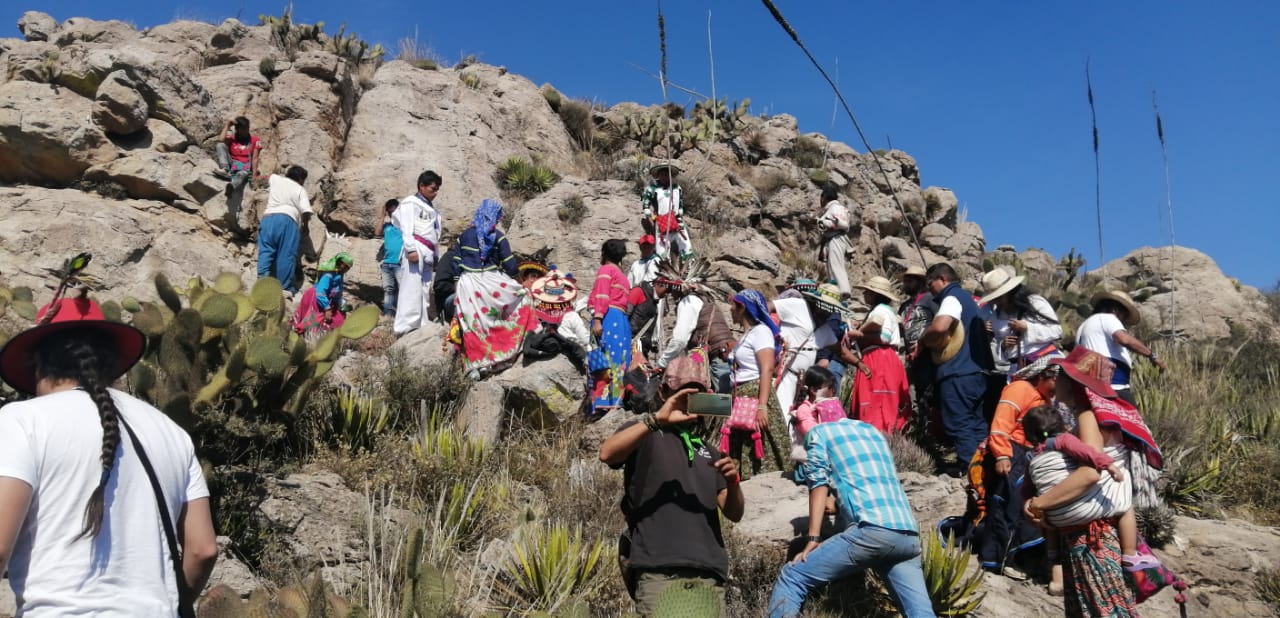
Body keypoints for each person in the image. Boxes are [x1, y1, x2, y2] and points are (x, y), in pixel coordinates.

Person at [0, 294, 218, 615]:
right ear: (112, 362)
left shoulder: (21, 421)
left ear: (38, 365)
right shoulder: (170, 432)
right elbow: (203, 549)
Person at [1028, 347, 1165, 613]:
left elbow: (1090, 472)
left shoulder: (1088, 415)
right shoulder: (1104, 412)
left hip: (1094, 539)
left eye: (1063, 375)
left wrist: (1039, 503)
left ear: (1075, 382)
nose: (1057, 381)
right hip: (1098, 533)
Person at [599, 373, 744, 617]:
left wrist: (733, 482)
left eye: (698, 395)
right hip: (659, 569)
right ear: (663, 393)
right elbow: (607, 453)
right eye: (684, 393)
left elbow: (734, 513)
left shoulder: (708, 450)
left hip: (708, 574)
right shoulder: (646, 433)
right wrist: (657, 420)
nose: (690, 400)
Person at [767, 418, 935, 618]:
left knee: (793, 576)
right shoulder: (872, 433)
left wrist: (813, 538)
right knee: (920, 613)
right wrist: (838, 504)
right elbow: (868, 480)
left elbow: (818, 482)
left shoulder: (818, 433)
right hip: (907, 534)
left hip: (872, 531)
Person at [975, 353, 1061, 576]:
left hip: (1029, 455)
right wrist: (1003, 455)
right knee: (1006, 505)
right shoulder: (1020, 389)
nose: (1057, 389)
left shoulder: (1043, 398)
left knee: (1023, 507)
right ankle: (997, 558)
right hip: (1012, 453)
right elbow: (1002, 422)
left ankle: (1017, 555)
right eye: (1055, 382)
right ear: (1044, 375)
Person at [452, 199, 535, 377]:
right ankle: (503, 354)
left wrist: (457, 283)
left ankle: (476, 365)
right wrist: (517, 282)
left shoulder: (464, 236)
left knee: (474, 324)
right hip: (491, 282)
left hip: (467, 285)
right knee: (523, 297)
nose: (499, 219)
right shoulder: (497, 236)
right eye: (498, 216)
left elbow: (456, 261)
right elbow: (510, 265)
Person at [921, 262, 994, 465]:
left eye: (930, 283)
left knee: (959, 424)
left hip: (958, 372)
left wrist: (924, 341)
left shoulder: (951, 298)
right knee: (978, 425)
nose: (929, 290)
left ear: (943, 279)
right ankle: (985, 474)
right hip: (980, 373)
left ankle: (970, 472)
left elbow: (940, 327)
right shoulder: (971, 302)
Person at [723, 289, 787, 475]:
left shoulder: (761, 332)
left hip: (755, 394)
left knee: (759, 443)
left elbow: (766, 368)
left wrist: (762, 406)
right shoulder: (747, 336)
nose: (730, 310)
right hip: (741, 395)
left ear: (742, 308)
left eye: (733, 306)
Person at [651, 259, 735, 394]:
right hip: (724, 355)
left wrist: (662, 363)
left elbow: (680, 340)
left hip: (717, 358)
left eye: (671, 290)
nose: (670, 295)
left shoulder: (688, 302)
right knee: (724, 403)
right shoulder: (705, 299)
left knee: (719, 406)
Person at [1076, 290, 1166, 406]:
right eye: (1125, 315)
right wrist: (1151, 355)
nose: (1123, 320)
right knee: (1134, 422)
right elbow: (1124, 339)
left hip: (1090, 386)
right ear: (1115, 309)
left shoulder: (1083, 326)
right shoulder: (1108, 318)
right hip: (1114, 386)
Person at [846, 276, 910, 433]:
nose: (864, 294)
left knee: (877, 401)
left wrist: (858, 335)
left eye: (867, 292)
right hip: (879, 358)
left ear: (875, 294)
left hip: (879, 359)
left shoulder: (881, 311)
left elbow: (884, 338)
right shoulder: (881, 311)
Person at [978, 268, 1062, 379]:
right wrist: (1003, 346)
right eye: (994, 299)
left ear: (1009, 292)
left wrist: (1027, 328)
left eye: (999, 298)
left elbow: (1057, 331)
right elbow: (999, 348)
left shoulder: (1035, 302)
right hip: (1017, 370)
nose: (997, 302)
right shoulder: (996, 317)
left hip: (1045, 364)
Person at [393, 171, 443, 336]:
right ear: (421, 186)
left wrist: (435, 255)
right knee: (411, 286)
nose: (434, 193)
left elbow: (434, 235)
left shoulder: (433, 211)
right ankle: (405, 325)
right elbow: (406, 227)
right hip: (416, 247)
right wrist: (411, 249)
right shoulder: (410, 202)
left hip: (428, 251)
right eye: (432, 188)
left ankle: (421, 322)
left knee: (424, 288)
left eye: (436, 190)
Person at [588, 239, 633, 416]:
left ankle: (601, 403)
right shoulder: (623, 276)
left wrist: (598, 319)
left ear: (604, 254)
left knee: (602, 359)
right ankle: (616, 400)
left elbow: (602, 296)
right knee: (619, 359)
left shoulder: (606, 271)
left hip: (608, 317)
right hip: (621, 321)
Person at [258, 165, 314, 297]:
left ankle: (261, 282)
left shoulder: (276, 179)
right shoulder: (300, 189)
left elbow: (262, 178)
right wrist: (305, 226)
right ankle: (284, 288)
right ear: (301, 179)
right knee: (286, 254)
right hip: (287, 221)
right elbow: (306, 211)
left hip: (268, 218)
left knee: (266, 251)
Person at [788, 366, 846, 462]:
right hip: (811, 459)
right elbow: (812, 435)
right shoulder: (804, 409)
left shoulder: (827, 407)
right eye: (830, 387)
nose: (833, 391)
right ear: (814, 390)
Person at [640, 160, 692, 260]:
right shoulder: (652, 189)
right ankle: (664, 270)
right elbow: (646, 206)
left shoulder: (677, 188)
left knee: (685, 245)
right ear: (658, 175)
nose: (665, 176)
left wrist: (680, 217)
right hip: (661, 221)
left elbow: (680, 205)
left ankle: (688, 267)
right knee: (662, 249)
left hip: (677, 221)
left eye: (667, 174)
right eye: (662, 174)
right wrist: (651, 221)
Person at [291, 252, 353, 336]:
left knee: (337, 319)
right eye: (345, 266)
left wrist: (338, 304)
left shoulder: (339, 275)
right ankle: (301, 333)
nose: (346, 269)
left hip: (326, 300)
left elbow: (337, 291)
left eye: (348, 268)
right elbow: (320, 292)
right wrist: (327, 308)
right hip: (316, 298)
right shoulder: (329, 274)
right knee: (314, 318)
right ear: (339, 263)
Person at [814, 184, 853, 298]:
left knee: (836, 266)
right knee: (832, 267)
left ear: (824, 197)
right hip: (833, 239)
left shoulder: (836, 208)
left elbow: (842, 225)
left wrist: (819, 221)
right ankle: (836, 291)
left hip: (836, 238)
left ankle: (842, 292)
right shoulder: (834, 208)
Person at [214, 116, 262, 195]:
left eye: (247, 128)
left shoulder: (255, 140)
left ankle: (231, 186)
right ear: (237, 129)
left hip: (245, 166)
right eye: (243, 129)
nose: (246, 131)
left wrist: (253, 177)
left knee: (242, 174)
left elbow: (255, 158)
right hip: (232, 164)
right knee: (220, 145)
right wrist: (228, 125)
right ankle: (225, 170)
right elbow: (220, 140)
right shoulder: (233, 138)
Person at [376, 199, 403, 317]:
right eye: (390, 209)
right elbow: (377, 232)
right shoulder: (387, 226)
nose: (393, 211)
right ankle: (388, 314)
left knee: (403, 289)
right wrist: (382, 215)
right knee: (388, 290)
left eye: (395, 208)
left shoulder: (404, 225)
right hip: (387, 263)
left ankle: (402, 314)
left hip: (400, 263)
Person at [432, 234, 460, 323]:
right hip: (448, 301)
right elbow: (441, 285)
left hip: (442, 304)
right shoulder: (453, 258)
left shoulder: (446, 257)